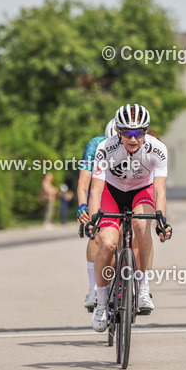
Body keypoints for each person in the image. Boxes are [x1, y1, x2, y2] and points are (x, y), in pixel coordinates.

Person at [86, 104, 172, 332]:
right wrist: (94, 219)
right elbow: (96, 190)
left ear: (145, 131)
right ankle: (102, 302)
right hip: (111, 193)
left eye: (139, 133)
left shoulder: (158, 149)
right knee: (106, 243)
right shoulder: (105, 148)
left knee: (141, 225)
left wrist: (162, 219)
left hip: (140, 191)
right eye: (127, 133)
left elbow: (160, 191)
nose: (133, 139)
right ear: (118, 131)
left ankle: (143, 288)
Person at [77, 119, 116, 311]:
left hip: (124, 191)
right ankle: (93, 288)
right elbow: (84, 182)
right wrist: (82, 205)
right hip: (100, 192)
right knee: (96, 233)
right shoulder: (95, 145)